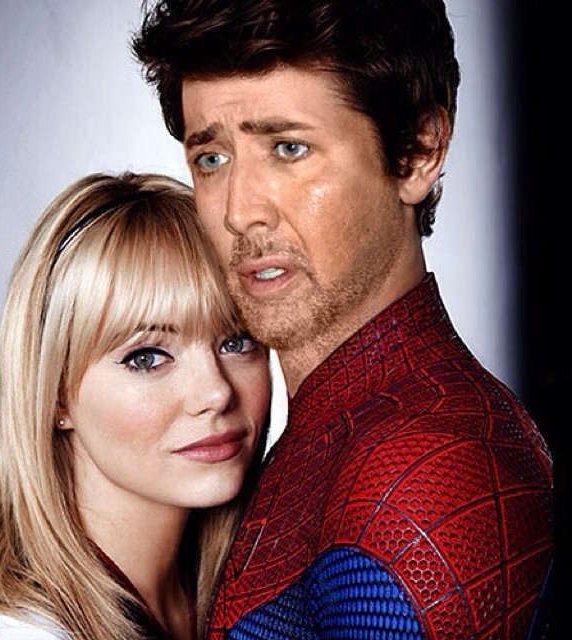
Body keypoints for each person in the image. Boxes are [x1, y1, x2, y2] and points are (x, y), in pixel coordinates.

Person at [131, 1, 555, 638]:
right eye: (212, 159)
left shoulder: (425, 470)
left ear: (418, 151)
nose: (240, 212)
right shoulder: (329, 435)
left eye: (289, 148)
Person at [0, 172, 271, 640]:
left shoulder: (251, 599)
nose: (216, 393)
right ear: (55, 395)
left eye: (237, 341)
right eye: (146, 357)